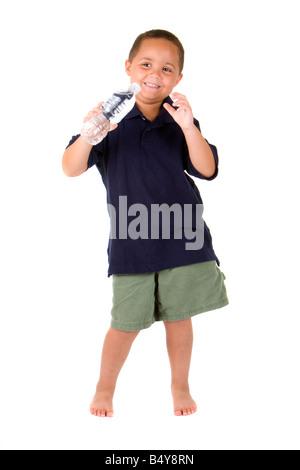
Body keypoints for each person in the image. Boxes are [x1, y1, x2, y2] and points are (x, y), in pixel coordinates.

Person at [62, 29, 229, 417]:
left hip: (182, 235)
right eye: (146, 64)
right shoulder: (110, 118)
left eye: (167, 68)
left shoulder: (179, 119)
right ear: (129, 68)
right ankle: (104, 388)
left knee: (179, 318)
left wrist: (189, 126)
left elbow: (208, 168)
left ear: (178, 79)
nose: (155, 74)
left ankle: (179, 385)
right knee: (125, 324)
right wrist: (89, 135)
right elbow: (70, 168)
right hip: (132, 239)